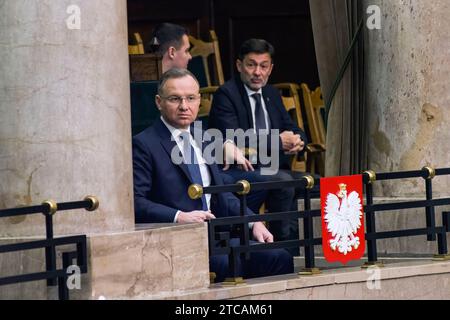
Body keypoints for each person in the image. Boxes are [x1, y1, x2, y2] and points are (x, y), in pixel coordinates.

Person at [133, 68, 293, 282]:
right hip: (178, 242)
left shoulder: (203, 137)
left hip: (218, 237)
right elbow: (135, 202)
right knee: (230, 266)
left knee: (280, 257)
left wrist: (253, 222)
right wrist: (178, 216)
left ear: (199, 100)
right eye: (175, 99)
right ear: (158, 102)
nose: (184, 106)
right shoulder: (144, 144)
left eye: (190, 98)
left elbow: (221, 196)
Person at [208, 39, 319, 253]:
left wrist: (299, 141)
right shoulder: (227, 94)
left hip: (274, 168)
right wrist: (279, 142)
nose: (257, 72)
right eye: (251, 65)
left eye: (263, 66)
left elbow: (293, 128)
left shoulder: (271, 93)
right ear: (239, 66)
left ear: (271, 68)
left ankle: (307, 249)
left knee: (315, 183)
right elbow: (235, 138)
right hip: (241, 171)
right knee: (283, 182)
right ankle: (281, 250)